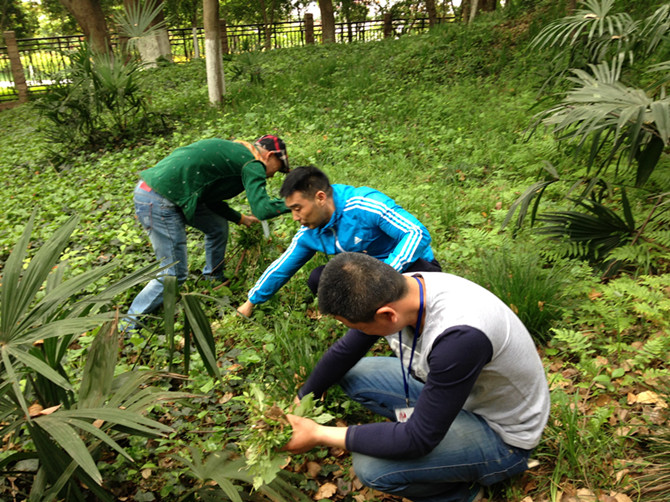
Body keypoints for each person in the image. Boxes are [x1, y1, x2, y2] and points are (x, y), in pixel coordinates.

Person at [283, 252, 550, 502]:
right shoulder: (401, 288)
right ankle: (435, 436)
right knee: (356, 373)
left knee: (372, 467)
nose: (359, 333)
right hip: (461, 396)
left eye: (360, 327)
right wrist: (302, 398)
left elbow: (418, 439)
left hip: (503, 435)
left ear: (387, 315)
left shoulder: (460, 338)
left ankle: (462, 493)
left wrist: (317, 433)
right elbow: (345, 352)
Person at [126, 135, 290, 328]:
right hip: (160, 200)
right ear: (270, 155)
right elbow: (262, 210)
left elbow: (208, 197)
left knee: (216, 227)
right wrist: (298, 203)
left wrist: (240, 218)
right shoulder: (254, 163)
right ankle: (126, 326)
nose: (272, 176)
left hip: (165, 192)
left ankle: (214, 280)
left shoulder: (238, 153)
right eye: (278, 168)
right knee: (173, 274)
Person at [236, 165, 441, 317]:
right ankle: (368, 322)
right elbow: (283, 267)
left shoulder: (364, 204)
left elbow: (416, 233)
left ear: (320, 197)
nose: (295, 217)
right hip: (369, 277)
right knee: (319, 278)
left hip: (412, 267)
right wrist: (250, 302)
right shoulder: (310, 231)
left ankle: (403, 319)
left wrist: (385, 274)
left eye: (298, 208)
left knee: (416, 299)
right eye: (291, 210)